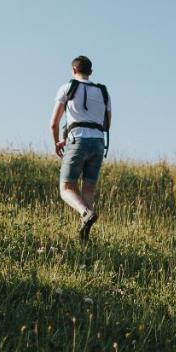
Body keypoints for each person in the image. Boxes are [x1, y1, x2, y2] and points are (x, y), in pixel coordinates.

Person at [49, 55, 110, 240]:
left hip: (77, 140)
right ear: (90, 72)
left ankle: (85, 213)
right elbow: (107, 125)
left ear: (74, 70)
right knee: (88, 190)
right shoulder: (103, 92)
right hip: (99, 143)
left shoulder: (67, 87)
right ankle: (85, 236)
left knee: (66, 187)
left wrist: (57, 142)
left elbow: (54, 123)